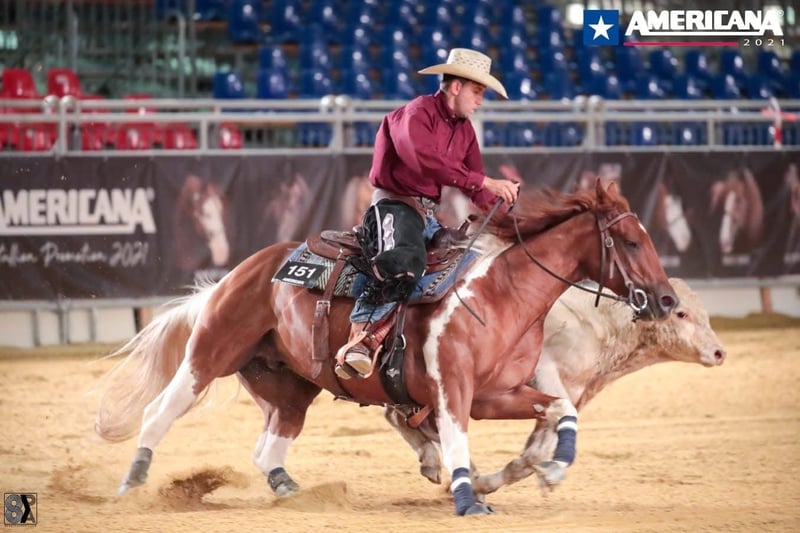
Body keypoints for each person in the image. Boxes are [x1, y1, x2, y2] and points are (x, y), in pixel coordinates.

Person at [335, 48, 520, 379]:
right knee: (403, 261)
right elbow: (424, 160)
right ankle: (361, 340)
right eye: (477, 91)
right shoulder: (417, 113)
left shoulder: (465, 131)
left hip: (426, 214)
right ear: (456, 87)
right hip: (393, 205)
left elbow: (476, 187)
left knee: (468, 265)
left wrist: (506, 218)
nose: (480, 101)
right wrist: (486, 182)